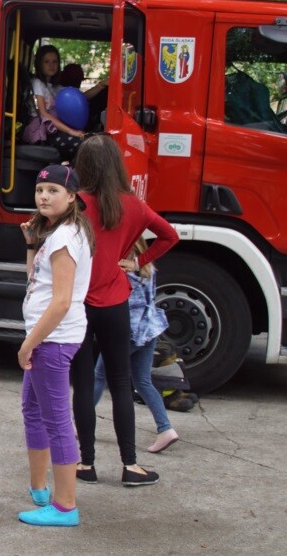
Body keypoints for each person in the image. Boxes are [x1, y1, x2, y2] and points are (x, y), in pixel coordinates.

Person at [70, 134, 179, 486]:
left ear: (82, 166)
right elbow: (169, 236)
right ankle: (130, 466)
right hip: (117, 304)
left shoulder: (77, 204)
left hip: (80, 304)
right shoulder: (134, 206)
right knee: (120, 383)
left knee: (84, 384)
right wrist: (138, 261)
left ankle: (85, 463)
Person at [17, 164, 94, 527]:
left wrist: (29, 344)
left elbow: (61, 301)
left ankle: (65, 506)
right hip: (48, 337)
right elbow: (36, 280)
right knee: (33, 410)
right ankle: (39, 490)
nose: (44, 196)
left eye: (52, 190)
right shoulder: (58, 233)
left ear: (72, 197)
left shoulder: (64, 238)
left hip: (52, 340)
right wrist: (32, 245)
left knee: (58, 421)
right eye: (40, 190)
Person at [92, 237, 179, 454]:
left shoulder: (122, 271)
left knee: (100, 375)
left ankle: (77, 421)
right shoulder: (148, 269)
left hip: (127, 333)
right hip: (149, 330)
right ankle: (165, 428)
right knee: (143, 380)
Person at [24, 45, 86, 161]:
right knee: (82, 146)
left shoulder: (54, 87)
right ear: (39, 64)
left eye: (55, 62)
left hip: (53, 129)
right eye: (47, 62)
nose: (51, 65)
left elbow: (81, 97)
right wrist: (71, 131)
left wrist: (101, 85)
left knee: (86, 142)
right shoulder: (37, 84)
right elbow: (44, 115)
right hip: (43, 131)